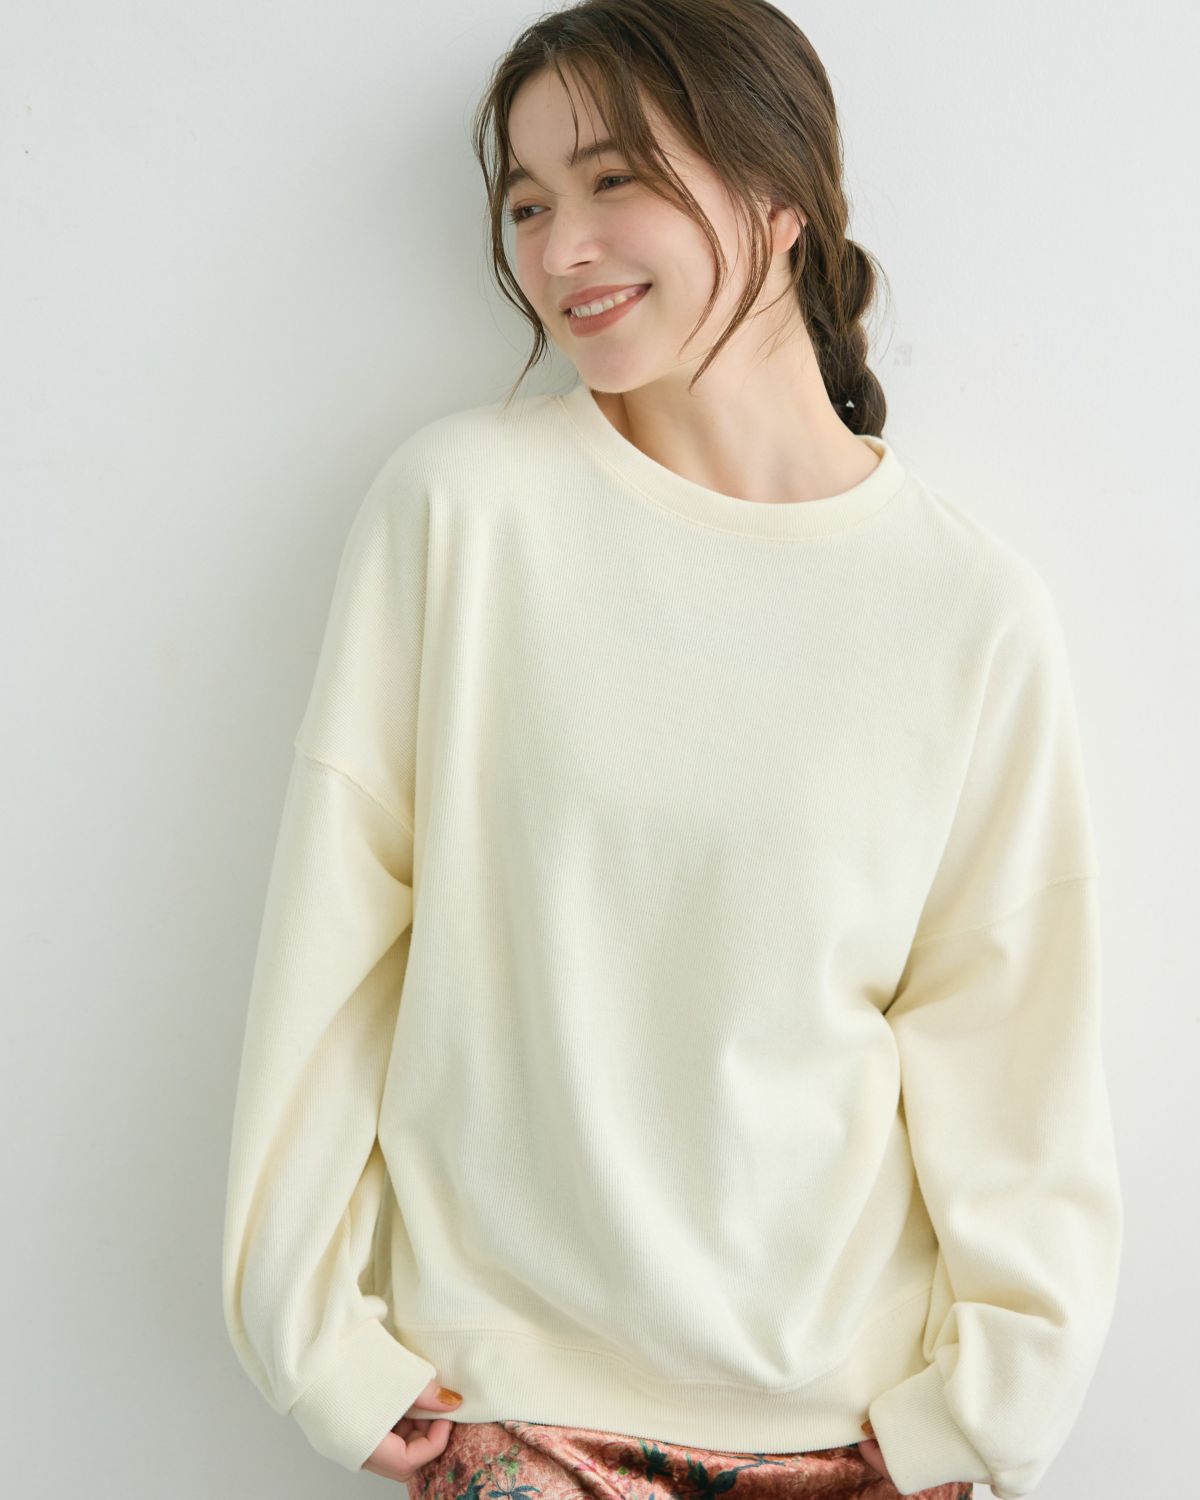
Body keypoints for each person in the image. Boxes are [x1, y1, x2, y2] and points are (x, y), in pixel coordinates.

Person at [220, 2, 1123, 1497]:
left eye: (613, 179)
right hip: (517, 1418)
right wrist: (314, 1339)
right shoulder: (465, 515)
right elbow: (334, 951)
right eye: (527, 203)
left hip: (864, 1440)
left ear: (779, 196)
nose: (560, 247)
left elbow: (1011, 1041)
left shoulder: (967, 610)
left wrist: (983, 1410)